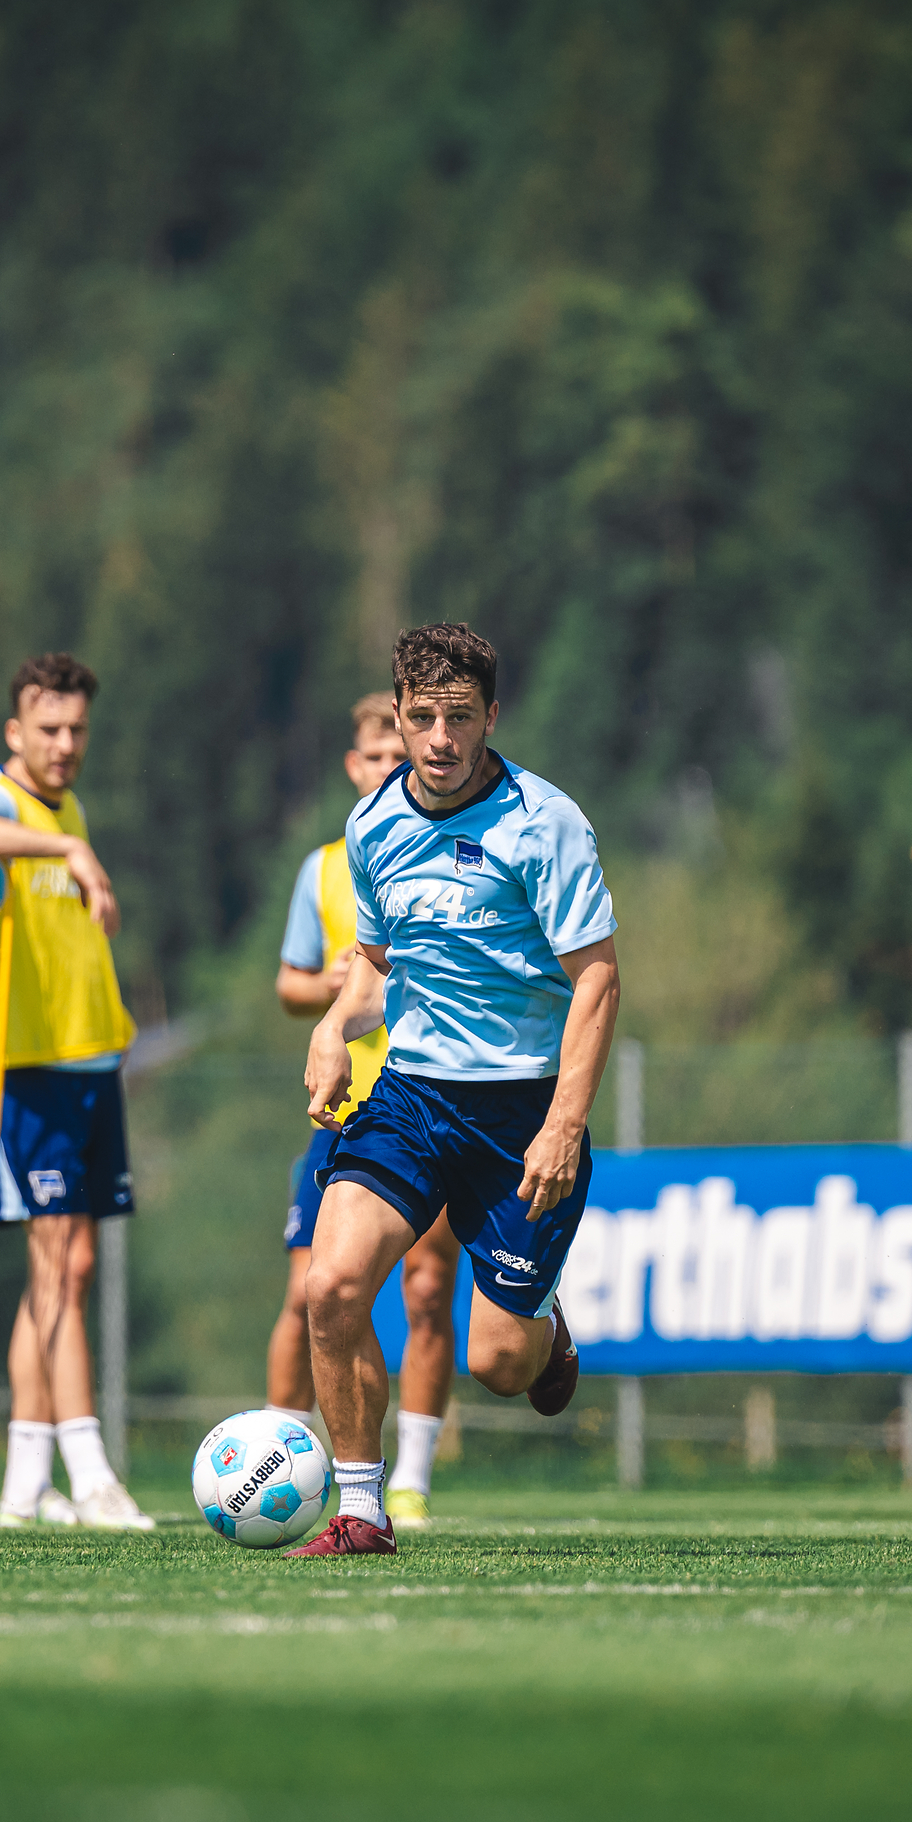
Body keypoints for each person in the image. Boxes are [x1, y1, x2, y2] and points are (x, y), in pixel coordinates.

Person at [288, 623, 620, 1556]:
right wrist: (331, 1027)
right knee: (332, 1284)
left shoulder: (544, 821)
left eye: (460, 717)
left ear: (490, 718)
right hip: (411, 1097)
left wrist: (565, 1123)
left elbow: (596, 977)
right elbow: (377, 965)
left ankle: (545, 1333)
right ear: (398, 716)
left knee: (499, 1365)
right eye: (423, 717)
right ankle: (362, 1511)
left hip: (523, 1112)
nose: (439, 738)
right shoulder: (371, 827)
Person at [0, 652, 156, 1531]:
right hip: (28, 1068)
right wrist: (66, 845)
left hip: (92, 1062)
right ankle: (92, 1473)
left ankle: (26, 1485)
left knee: (69, 1268)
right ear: (15, 731)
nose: (65, 745)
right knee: (55, 1264)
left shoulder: (70, 809)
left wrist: (71, 840)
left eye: (77, 730)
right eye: (48, 729)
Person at [269, 693, 466, 1530]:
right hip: (343, 1108)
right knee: (311, 1293)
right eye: (374, 755)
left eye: (400, 751)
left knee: (427, 1290)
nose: (388, 765)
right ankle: (279, 1450)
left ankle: (410, 1477)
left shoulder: (451, 851)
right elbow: (289, 983)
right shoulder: (326, 866)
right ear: (354, 765)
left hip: (429, 1097)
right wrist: (343, 986)